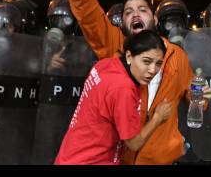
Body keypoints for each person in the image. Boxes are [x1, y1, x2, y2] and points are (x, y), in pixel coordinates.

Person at [61, 0, 211, 165]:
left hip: (159, 159)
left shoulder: (178, 56)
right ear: (123, 23)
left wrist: (203, 97)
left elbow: (195, 98)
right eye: (128, 12)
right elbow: (90, 16)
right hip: (120, 157)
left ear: (155, 19)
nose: (135, 14)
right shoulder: (115, 45)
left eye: (142, 9)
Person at [54, 30, 172, 165]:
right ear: (129, 56)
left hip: (69, 156)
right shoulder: (123, 89)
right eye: (146, 61)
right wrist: (158, 117)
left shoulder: (106, 65)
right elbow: (133, 143)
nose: (152, 70)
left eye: (158, 64)